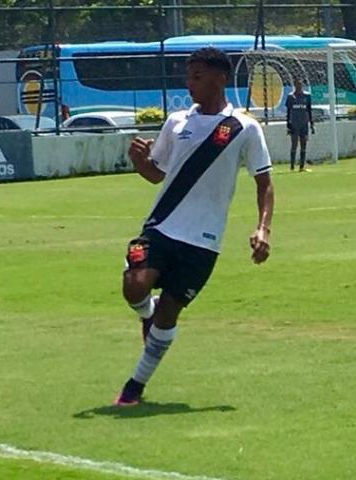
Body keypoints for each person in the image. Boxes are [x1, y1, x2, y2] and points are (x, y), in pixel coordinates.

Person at [114, 47, 274, 406]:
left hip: (203, 241)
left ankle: (134, 386)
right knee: (134, 286)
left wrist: (263, 228)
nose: (190, 85)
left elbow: (264, 183)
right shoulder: (177, 122)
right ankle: (145, 313)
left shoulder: (244, 128)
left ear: (221, 78)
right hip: (162, 225)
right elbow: (157, 175)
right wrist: (140, 162)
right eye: (188, 77)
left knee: (170, 313)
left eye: (197, 77)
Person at [285, 78, 315, 172]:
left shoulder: (307, 96)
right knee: (294, 143)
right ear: (294, 85)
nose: (299, 86)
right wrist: (288, 124)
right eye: (297, 84)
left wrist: (311, 123)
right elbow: (288, 111)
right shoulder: (291, 96)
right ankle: (292, 166)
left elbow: (309, 110)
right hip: (294, 123)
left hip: (304, 123)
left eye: (300, 84)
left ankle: (302, 166)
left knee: (304, 143)